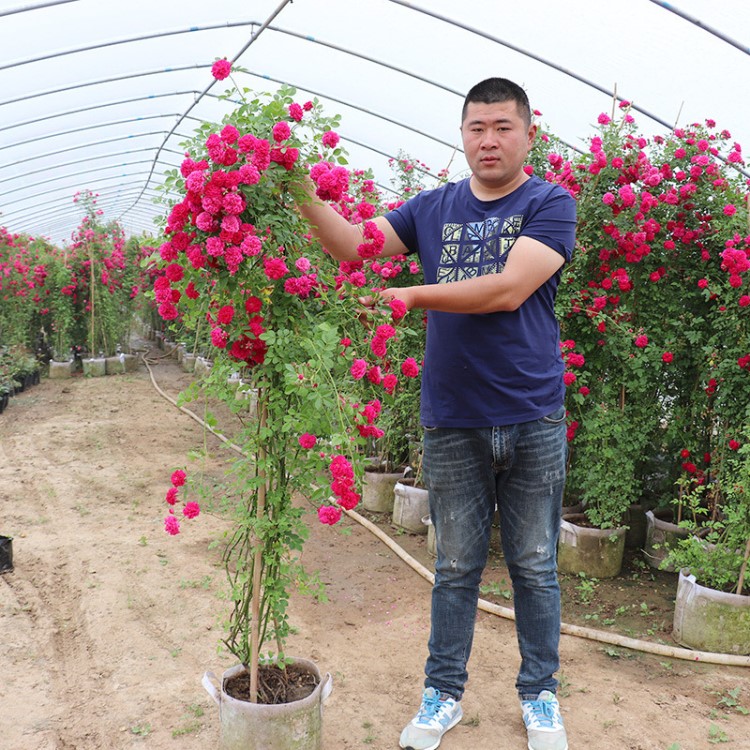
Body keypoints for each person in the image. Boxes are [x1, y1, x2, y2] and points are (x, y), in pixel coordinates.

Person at [299, 77, 576, 750]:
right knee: (454, 566)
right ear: (462, 134)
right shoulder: (432, 207)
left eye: (503, 127)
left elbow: (510, 290)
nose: (489, 139)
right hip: (452, 417)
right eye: (477, 127)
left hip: (532, 413)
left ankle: (540, 695)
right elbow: (352, 247)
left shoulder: (550, 201)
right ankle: (442, 694)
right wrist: (298, 191)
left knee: (535, 564)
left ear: (528, 135)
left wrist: (410, 297)